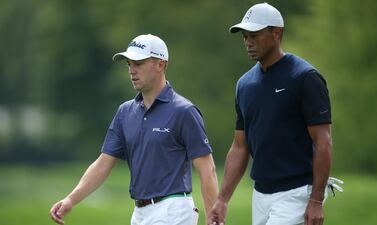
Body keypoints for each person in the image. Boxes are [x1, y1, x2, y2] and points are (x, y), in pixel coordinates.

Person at [49, 34, 219, 225]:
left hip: (174, 210)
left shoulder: (184, 111)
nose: (131, 70)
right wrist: (71, 199)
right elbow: (104, 163)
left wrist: (213, 220)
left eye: (138, 63)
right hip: (139, 214)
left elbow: (207, 169)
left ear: (160, 65)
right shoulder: (125, 112)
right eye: (129, 64)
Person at [208, 3, 333, 225]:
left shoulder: (304, 78)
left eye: (254, 36)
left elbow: (323, 141)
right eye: (245, 37)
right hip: (261, 194)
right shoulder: (244, 85)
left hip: (296, 193)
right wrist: (222, 199)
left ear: (276, 33)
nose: (248, 42)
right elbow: (240, 146)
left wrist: (316, 199)